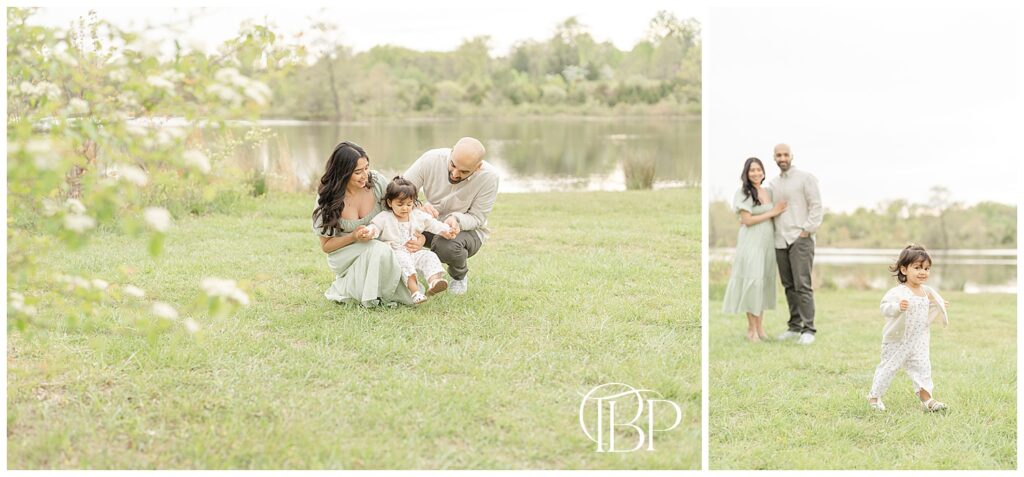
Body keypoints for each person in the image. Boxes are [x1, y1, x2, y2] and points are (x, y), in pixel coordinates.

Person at [312, 141, 415, 307]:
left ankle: (366, 287)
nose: (365, 175)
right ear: (343, 173)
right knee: (380, 249)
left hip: (381, 246)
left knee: (386, 249)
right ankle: (359, 290)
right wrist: (354, 237)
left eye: (366, 167)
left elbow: (401, 201)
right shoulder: (328, 199)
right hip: (344, 253)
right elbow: (326, 246)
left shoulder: (376, 182)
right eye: (358, 172)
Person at [403, 137, 499, 295]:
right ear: (452, 152)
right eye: (453, 165)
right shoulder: (431, 159)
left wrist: (457, 220)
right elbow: (399, 189)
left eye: (464, 171)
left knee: (446, 247)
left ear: (478, 167)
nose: (455, 174)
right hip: (429, 223)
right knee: (396, 230)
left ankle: (459, 276)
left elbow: (477, 218)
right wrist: (418, 206)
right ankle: (412, 275)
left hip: (466, 230)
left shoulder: (489, 178)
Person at [867, 244, 950, 412]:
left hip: (919, 340)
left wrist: (939, 304)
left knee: (923, 368)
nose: (923, 272)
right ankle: (874, 397)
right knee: (888, 367)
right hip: (898, 340)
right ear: (904, 270)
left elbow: (934, 302)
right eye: (917, 267)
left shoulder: (926, 291)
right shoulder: (898, 292)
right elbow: (884, 307)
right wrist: (898, 306)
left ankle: (927, 400)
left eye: (926, 268)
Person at [722, 157, 788, 342]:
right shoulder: (743, 192)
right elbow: (747, 220)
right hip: (751, 243)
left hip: (767, 243)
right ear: (746, 173)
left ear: (763, 171)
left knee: (762, 284)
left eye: (759, 169)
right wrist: (773, 212)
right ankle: (751, 330)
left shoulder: (768, 191)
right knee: (752, 283)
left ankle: (760, 328)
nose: (756, 173)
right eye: (752, 170)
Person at [366, 176, 456, 304]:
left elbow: (432, 224)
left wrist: (446, 230)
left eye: (409, 204)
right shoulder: (385, 217)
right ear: (390, 203)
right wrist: (369, 232)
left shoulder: (416, 215)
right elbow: (375, 226)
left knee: (429, 256)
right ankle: (415, 292)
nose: (405, 208)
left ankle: (434, 282)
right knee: (405, 262)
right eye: (400, 204)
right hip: (396, 252)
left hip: (413, 252)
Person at [769, 144, 823, 345]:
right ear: (774, 158)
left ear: (791, 156)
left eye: (785, 154)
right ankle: (794, 326)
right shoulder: (774, 183)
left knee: (803, 285)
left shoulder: (805, 178)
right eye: (778, 155)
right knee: (789, 285)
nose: (782, 158)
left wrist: (806, 231)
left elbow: (816, 206)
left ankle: (809, 329)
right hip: (780, 240)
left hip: (800, 239)